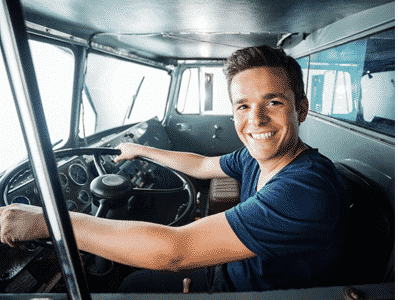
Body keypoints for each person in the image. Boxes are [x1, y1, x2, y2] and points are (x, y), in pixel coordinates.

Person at [0, 45, 350, 293]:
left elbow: (174, 250)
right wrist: (140, 149)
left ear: (300, 109)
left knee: (132, 286)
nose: (255, 119)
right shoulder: (258, 157)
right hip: (237, 270)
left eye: (273, 102)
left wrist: (47, 221)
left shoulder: (306, 188)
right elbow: (200, 165)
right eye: (243, 106)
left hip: (251, 290)